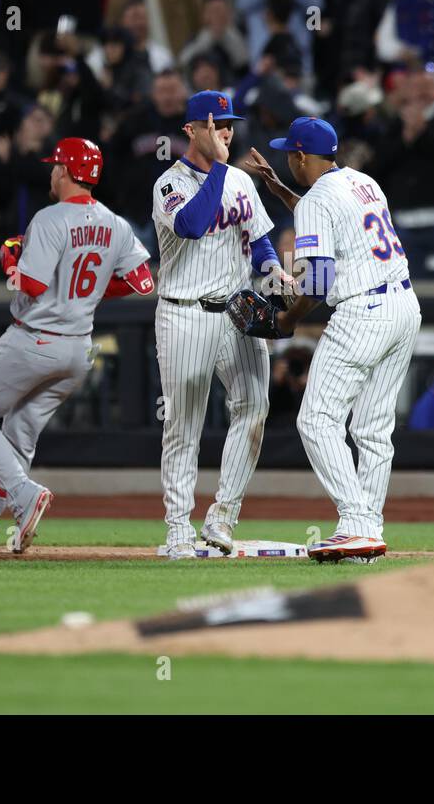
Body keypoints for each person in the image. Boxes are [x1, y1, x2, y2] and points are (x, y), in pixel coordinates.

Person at [0, 138, 153, 554]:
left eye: (56, 166)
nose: (51, 172)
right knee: (17, 436)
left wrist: (8, 259)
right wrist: (83, 297)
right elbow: (142, 281)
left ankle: (23, 495)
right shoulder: (116, 223)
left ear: (67, 172)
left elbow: (30, 285)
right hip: (78, 350)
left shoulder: (50, 218)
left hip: (35, 339)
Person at [243, 117, 422, 564]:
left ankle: (357, 522)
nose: (287, 158)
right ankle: (368, 533)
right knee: (373, 429)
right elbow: (333, 218)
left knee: (317, 420)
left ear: (300, 156)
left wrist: (287, 320)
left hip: (363, 313)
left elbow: (318, 282)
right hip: (404, 306)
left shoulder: (316, 203)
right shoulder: (363, 182)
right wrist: (283, 193)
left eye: (290, 152)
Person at [151, 92, 280, 560]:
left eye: (229, 123)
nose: (225, 131)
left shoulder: (241, 183)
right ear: (191, 129)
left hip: (235, 311)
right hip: (184, 313)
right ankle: (177, 531)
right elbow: (191, 224)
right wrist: (223, 168)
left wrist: (272, 270)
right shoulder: (169, 183)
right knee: (184, 426)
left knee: (254, 406)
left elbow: (260, 238)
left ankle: (223, 515)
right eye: (215, 123)